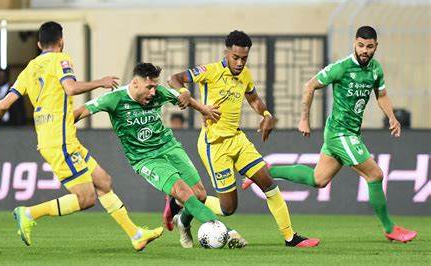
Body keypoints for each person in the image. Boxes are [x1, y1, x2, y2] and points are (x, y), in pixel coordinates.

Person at [0, 21, 163, 251]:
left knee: (103, 182)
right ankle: (29, 213)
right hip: (60, 142)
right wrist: (100, 82)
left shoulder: (29, 68)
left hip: (60, 139)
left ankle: (135, 234)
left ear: (39, 44)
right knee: (86, 198)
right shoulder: (61, 59)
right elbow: (70, 87)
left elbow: (4, 103)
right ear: (61, 41)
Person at [245, 26, 417, 243]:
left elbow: (381, 95)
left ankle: (266, 170)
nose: (364, 50)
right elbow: (310, 86)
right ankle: (390, 228)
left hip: (350, 132)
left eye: (369, 46)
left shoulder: (375, 69)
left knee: (318, 180)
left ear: (376, 47)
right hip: (340, 133)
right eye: (361, 45)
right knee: (375, 175)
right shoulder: (341, 68)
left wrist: (392, 117)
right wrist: (304, 118)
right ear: (354, 43)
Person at [168, 30, 319, 247]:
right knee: (228, 208)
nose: (240, 63)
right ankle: (184, 209)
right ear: (226, 53)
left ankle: (290, 237)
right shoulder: (209, 71)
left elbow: (254, 98)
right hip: (215, 145)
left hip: (238, 140)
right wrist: (183, 91)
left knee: (268, 182)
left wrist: (266, 114)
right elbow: (175, 78)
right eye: (236, 57)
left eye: (244, 58)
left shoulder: (245, 75)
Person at [74, 62, 245, 249]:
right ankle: (225, 232)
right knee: (183, 192)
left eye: (155, 86)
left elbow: (181, 97)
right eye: (149, 87)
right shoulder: (113, 99)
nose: (154, 93)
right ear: (135, 83)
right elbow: (79, 113)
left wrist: (203, 108)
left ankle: (183, 223)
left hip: (169, 147)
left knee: (200, 195)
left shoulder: (160, 92)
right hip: (145, 158)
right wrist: (59, 132)